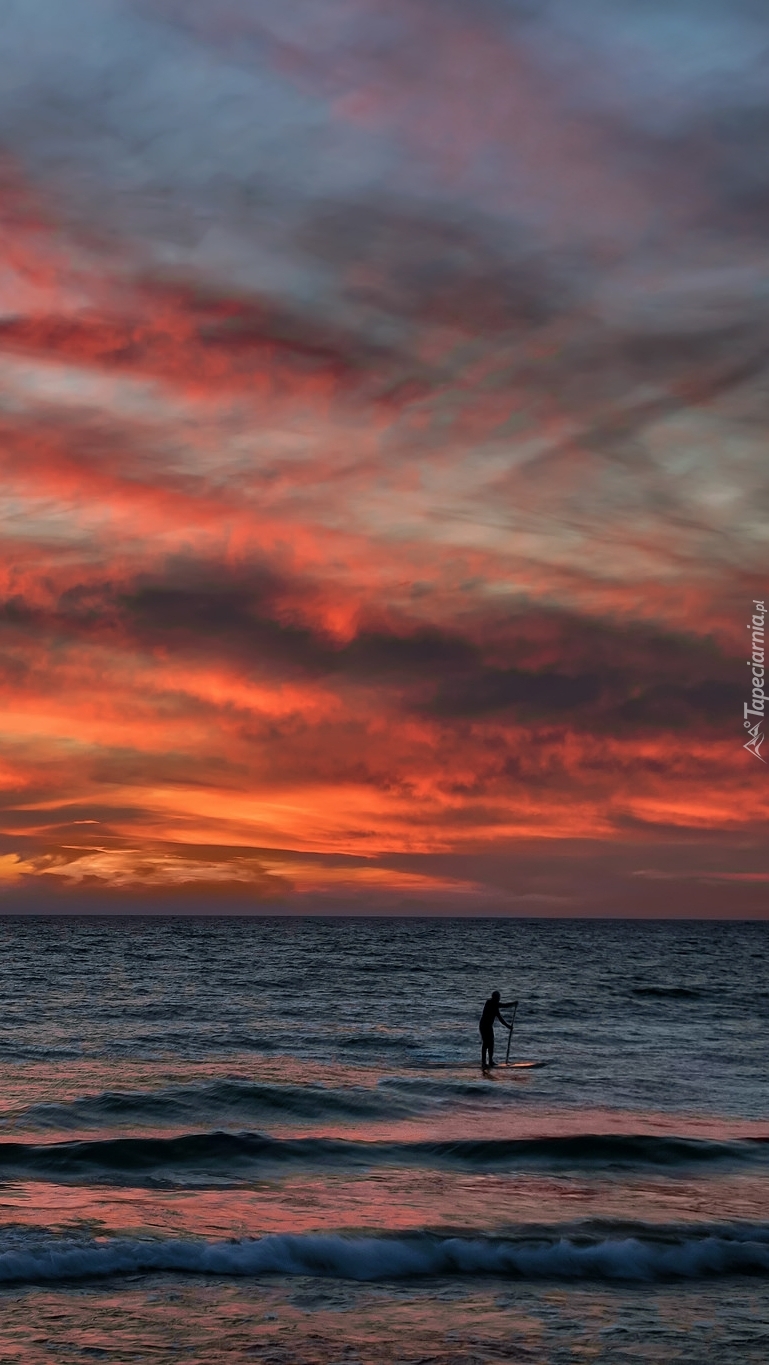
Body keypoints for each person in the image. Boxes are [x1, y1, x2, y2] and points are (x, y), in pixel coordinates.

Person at [479, 990, 516, 1070]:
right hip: (484, 1026)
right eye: (498, 997)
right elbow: (504, 1005)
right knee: (486, 1043)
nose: (499, 999)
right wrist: (513, 1004)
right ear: (494, 998)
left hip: (489, 1026)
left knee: (491, 1043)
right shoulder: (489, 1003)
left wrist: (508, 1026)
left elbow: (500, 1018)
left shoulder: (495, 1007)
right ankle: (483, 1062)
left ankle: (490, 1061)